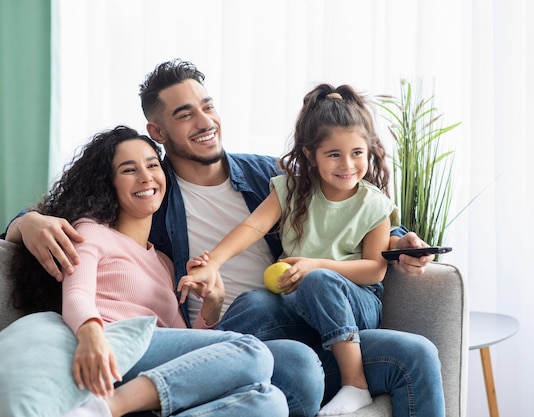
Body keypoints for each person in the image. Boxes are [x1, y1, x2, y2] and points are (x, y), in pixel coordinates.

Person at [4, 59, 444, 417]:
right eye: (184, 114)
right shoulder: (151, 195)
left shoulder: (267, 174)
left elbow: (340, 204)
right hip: (236, 330)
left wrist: (401, 241)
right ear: (158, 132)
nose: (203, 120)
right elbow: (80, 216)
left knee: (417, 355)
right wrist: (24, 223)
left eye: (206, 105)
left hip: (311, 314)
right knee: (263, 316)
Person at [10, 126, 289, 417]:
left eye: (152, 165)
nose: (146, 176)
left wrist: (211, 308)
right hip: (111, 347)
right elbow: (77, 293)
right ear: (108, 183)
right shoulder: (90, 232)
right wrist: (92, 335)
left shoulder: (164, 262)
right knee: (253, 353)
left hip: (150, 371)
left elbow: (186, 345)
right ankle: (103, 409)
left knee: (270, 401)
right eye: (129, 170)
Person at [178, 83, 400, 415]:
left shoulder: (375, 205)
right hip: (299, 305)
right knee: (253, 301)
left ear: (369, 151)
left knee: (319, 280)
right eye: (334, 154)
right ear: (311, 155)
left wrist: (316, 266)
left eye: (357, 153)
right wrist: (214, 263)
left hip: (354, 305)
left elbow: (375, 269)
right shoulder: (292, 189)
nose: (348, 164)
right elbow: (253, 227)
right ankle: (190, 369)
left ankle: (356, 384)